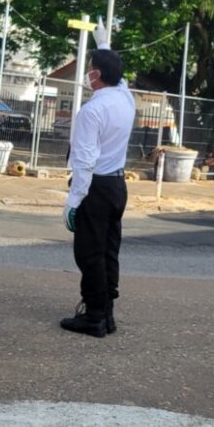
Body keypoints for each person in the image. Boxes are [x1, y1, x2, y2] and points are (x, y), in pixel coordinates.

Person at [61, 18, 136, 338]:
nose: (87, 72)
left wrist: (73, 200)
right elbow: (117, 74)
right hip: (117, 186)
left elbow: (85, 161)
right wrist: (104, 45)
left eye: (90, 67)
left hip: (95, 187)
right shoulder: (125, 97)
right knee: (108, 251)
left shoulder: (92, 111)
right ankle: (107, 314)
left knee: (89, 254)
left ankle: (94, 317)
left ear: (96, 75)